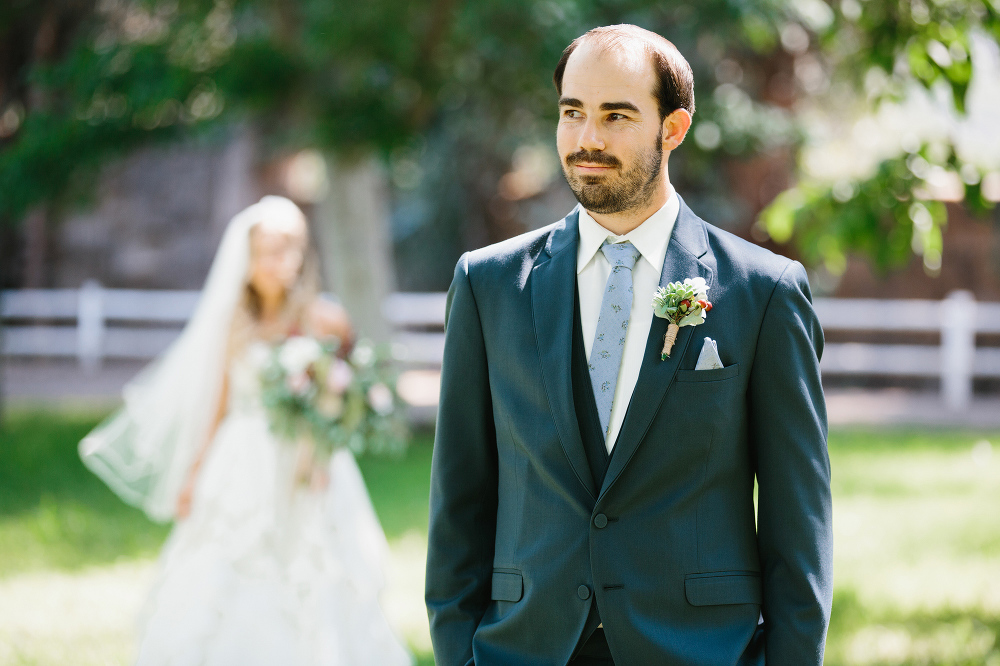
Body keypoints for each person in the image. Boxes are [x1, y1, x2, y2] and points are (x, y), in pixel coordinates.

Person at [425, 24, 832, 666]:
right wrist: (458, 652)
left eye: (616, 115)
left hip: (699, 650)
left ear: (673, 129)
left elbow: (797, 522)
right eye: (572, 114)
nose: (587, 138)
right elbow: (460, 497)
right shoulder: (488, 285)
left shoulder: (764, 293)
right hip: (525, 648)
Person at [80, 196, 412, 666]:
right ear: (247, 259)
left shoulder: (324, 319)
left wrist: (324, 445)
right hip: (244, 459)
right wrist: (194, 474)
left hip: (309, 463)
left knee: (319, 566)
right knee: (232, 561)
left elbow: (348, 391)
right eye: (268, 252)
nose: (281, 263)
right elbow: (216, 406)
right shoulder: (233, 323)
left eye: (290, 249)